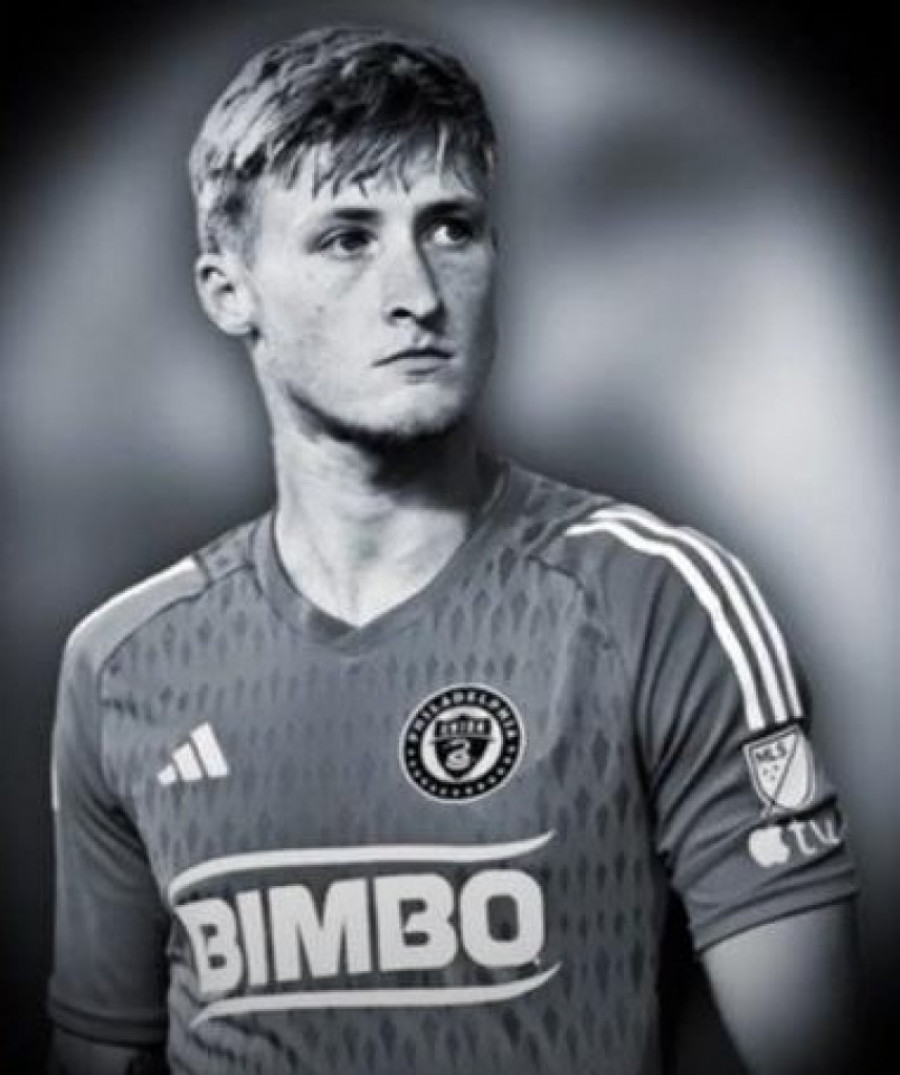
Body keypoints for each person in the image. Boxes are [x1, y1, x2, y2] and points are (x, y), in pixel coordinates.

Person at [47, 24, 861, 1075]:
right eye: (348, 238)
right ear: (227, 290)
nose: (420, 295)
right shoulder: (124, 662)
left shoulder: (656, 602)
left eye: (451, 228)